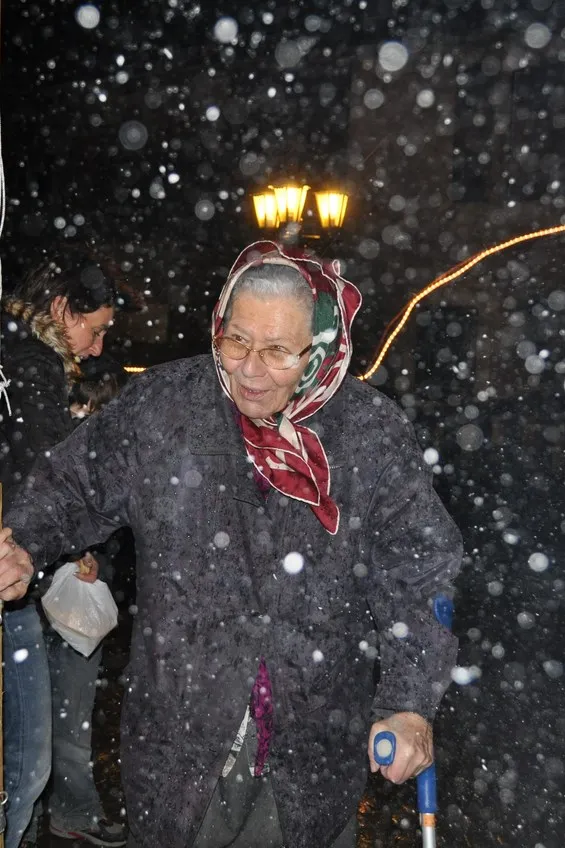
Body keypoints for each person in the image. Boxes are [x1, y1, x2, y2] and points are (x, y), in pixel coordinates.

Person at [0, 241, 463, 848]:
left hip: (312, 740)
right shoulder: (166, 408)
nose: (249, 369)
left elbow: (417, 571)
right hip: (181, 735)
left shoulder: (368, 433)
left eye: (277, 351)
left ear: (320, 348)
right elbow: (73, 483)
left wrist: (409, 702)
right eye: (236, 341)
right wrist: (24, 542)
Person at [0, 254, 116, 848]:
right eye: (95, 329)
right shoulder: (29, 365)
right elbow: (44, 475)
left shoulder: (18, 355)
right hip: (11, 581)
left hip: (22, 574)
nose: (97, 348)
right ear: (63, 310)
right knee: (25, 763)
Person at [22, 367, 129, 847]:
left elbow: (117, 530)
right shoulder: (40, 440)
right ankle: (31, 817)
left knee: (66, 718)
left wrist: (99, 563)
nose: (82, 417)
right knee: (34, 720)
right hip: (27, 602)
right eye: (78, 405)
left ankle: (68, 812)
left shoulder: (112, 458)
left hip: (70, 607)